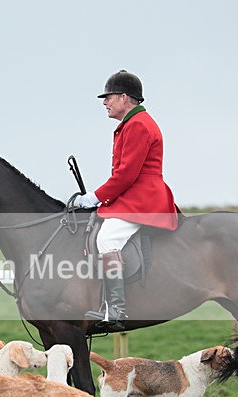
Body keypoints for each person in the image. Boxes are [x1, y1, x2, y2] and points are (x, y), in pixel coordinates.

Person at [74, 70, 178, 329]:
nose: (104, 103)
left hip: (143, 198)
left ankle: (116, 311)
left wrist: (95, 198)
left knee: (106, 239)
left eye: (108, 97)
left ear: (124, 97)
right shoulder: (132, 124)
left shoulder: (138, 125)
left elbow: (125, 175)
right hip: (134, 194)